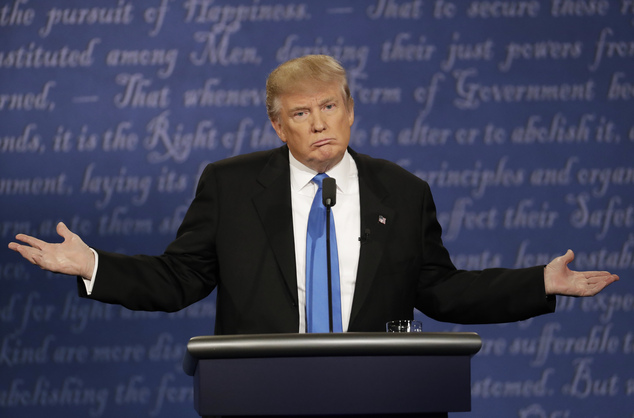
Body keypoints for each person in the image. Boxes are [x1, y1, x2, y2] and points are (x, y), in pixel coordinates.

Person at [8, 55, 618, 335]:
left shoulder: (404, 191)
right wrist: (92, 266)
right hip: (257, 395)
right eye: (302, 112)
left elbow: (441, 291)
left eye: (331, 106)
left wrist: (539, 282)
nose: (320, 122)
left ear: (351, 112)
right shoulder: (230, 185)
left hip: (381, 397)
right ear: (278, 126)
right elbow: (180, 280)